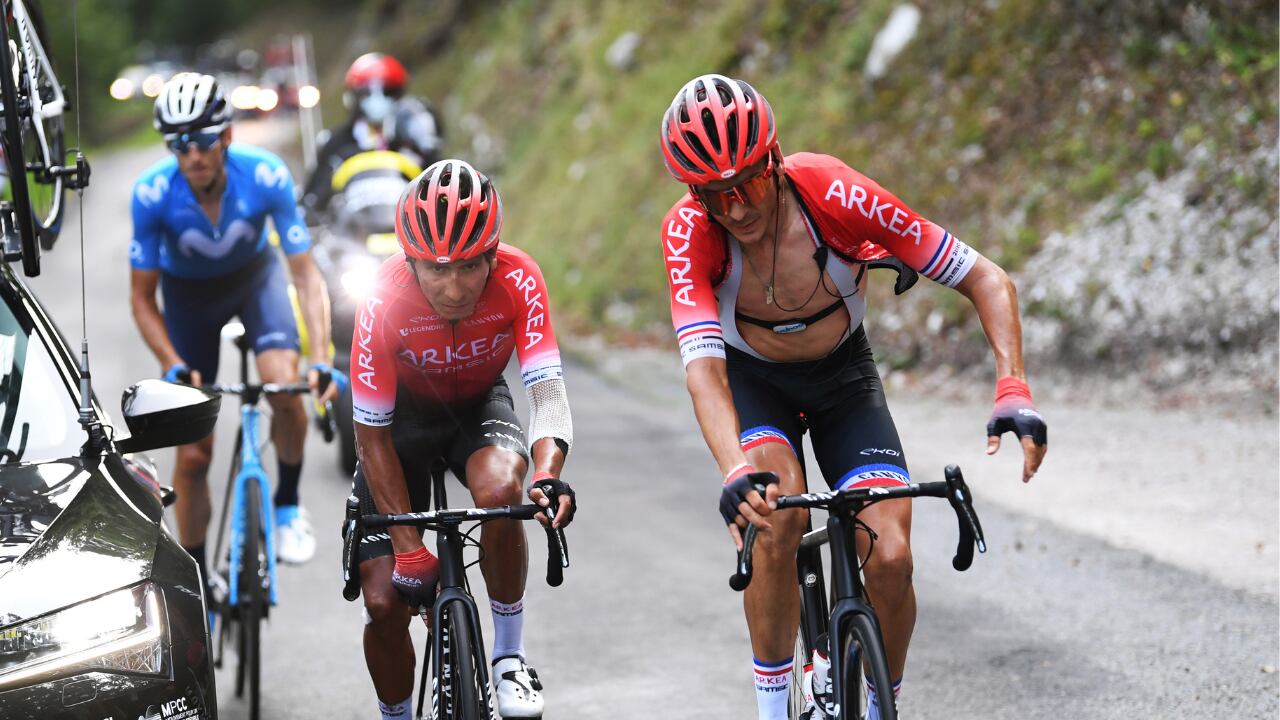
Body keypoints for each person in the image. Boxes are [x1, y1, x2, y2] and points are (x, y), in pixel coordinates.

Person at [657, 74, 1049, 720]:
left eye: (747, 185)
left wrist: (1013, 387)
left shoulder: (835, 192)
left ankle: (876, 704)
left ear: (773, 160)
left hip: (844, 379)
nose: (735, 210)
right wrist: (734, 471)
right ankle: (773, 708)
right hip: (756, 385)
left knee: (891, 557)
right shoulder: (688, 234)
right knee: (775, 516)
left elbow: (985, 277)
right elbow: (703, 371)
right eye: (713, 195)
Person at [351, 158, 576, 720]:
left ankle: (508, 656)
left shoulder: (521, 276)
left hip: (477, 405)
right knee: (383, 603)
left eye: (471, 267)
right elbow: (370, 435)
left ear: (493, 255)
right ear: (410, 262)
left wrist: (547, 474)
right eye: (435, 269)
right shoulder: (380, 297)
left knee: (503, 494)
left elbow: (547, 394)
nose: (454, 288)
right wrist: (407, 549)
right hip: (398, 425)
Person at [130, 73, 344, 593]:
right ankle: (199, 577)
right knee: (195, 452)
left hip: (256, 280)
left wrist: (320, 355)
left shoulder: (266, 175)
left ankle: (288, 505)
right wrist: (170, 361)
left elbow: (304, 274)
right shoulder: (152, 194)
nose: (194, 155)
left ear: (226, 136)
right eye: (180, 144)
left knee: (285, 387)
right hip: (189, 298)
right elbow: (142, 299)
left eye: (204, 140)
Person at [301, 52, 444, 217]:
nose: (378, 100)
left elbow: (439, 188)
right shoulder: (335, 143)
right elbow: (312, 201)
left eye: (387, 91)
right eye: (368, 93)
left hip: (407, 230)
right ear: (354, 96)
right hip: (350, 235)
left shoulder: (412, 139)